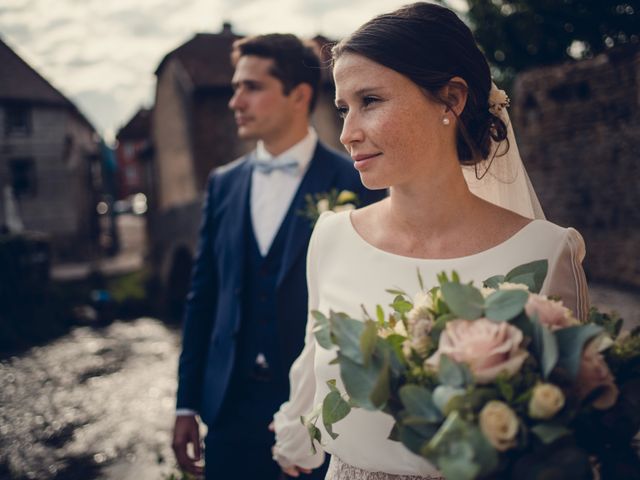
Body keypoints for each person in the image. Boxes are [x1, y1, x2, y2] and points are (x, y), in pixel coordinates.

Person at [272, 3, 589, 479]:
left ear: (451, 99)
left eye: (370, 101)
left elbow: (571, 437)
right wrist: (295, 441)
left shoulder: (545, 252)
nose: (347, 133)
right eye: (343, 108)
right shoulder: (331, 237)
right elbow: (310, 364)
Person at [171, 33, 385, 480]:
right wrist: (187, 402)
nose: (235, 101)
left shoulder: (356, 180)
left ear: (299, 95)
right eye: (234, 87)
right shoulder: (222, 184)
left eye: (251, 87)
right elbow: (202, 297)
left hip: (319, 411)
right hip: (227, 409)